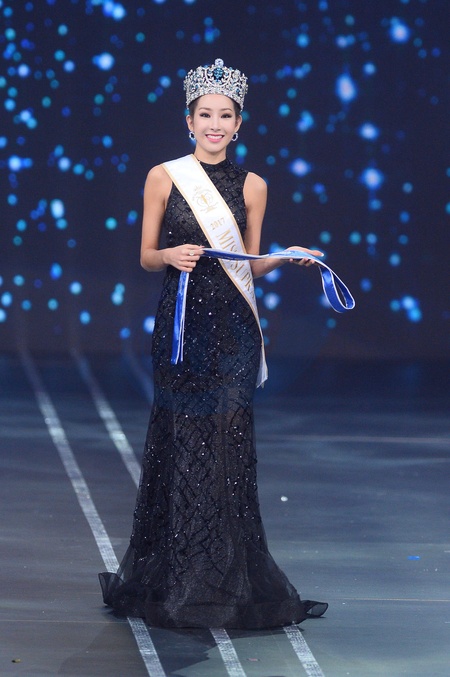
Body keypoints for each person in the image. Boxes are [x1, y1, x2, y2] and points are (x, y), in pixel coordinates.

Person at [99, 58, 328, 629]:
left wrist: (287, 257)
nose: (215, 124)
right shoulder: (164, 176)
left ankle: (228, 582)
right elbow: (145, 255)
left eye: (226, 116)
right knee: (180, 442)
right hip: (181, 328)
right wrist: (168, 255)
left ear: (239, 123)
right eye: (206, 115)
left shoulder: (254, 186)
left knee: (228, 450)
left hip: (233, 332)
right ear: (189, 120)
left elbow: (250, 262)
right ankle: (176, 578)